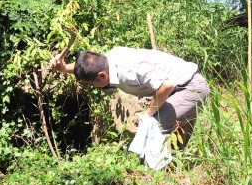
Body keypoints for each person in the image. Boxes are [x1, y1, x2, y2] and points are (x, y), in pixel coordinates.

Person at [50, 47, 210, 149]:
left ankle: (153, 184)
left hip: (189, 87)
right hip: (178, 88)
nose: (92, 87)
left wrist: (147, 114)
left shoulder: (129, 68)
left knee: (150, 127)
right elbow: (88, 68)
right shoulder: (106, 61)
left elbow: (165, 86)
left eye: (92, 84)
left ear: (102, 76)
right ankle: (175, 176)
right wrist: (63, 68)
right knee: (176, 139)